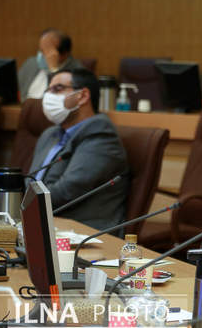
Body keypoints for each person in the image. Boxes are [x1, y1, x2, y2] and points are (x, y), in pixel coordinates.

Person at [29, 68, 129, 230]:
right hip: (43, 223)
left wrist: (23, 203)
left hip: (82, 232)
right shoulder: (50, 135)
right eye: (48, 90)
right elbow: (31, 182)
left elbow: (66, 191)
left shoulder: (101, 135)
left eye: (57, 89)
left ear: (82, 96)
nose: (48, 96)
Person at [17, 28, 83, 100]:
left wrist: (53, 69)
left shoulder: (77, 72)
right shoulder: (31, 63)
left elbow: (58, 100)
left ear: (64, 54)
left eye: (48, 51)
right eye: (41, 50)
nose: (42, 55)